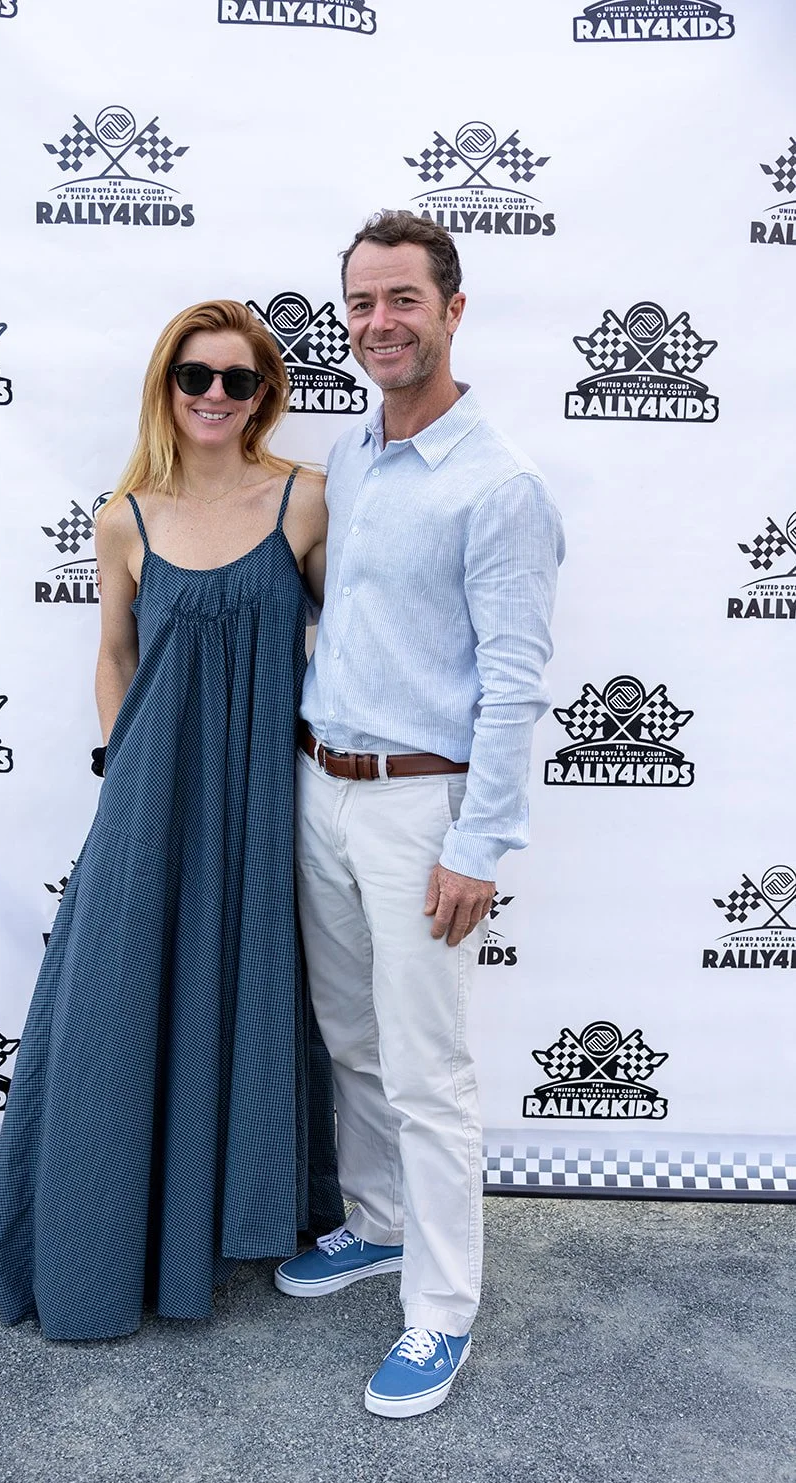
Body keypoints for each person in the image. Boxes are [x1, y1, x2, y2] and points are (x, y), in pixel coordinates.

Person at [0, 299, 344, 1340]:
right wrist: (119, 761)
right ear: (166, 386)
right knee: (117, 1002)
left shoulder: (307, 502)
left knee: (252, 987)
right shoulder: (124, 517)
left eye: (237, 379)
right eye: (195, 376)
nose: (214, 396)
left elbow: (351, 638)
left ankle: (238, 1221)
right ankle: (107, 1241)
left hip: (266, 792)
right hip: (149, 790)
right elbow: (113, 652)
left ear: (263, 395)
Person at [274, 211, 564, 1417]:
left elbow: (514, 683)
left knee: (427, 1071)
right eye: (360, 302)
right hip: (319, 785)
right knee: (349, 1036)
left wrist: (475, 845)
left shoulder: (500, 486)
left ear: (452, 309)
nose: (377, 322)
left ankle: (439, 1309)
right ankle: (380, 1221)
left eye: (401, 299)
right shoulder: (348, 457)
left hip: (420, 810)